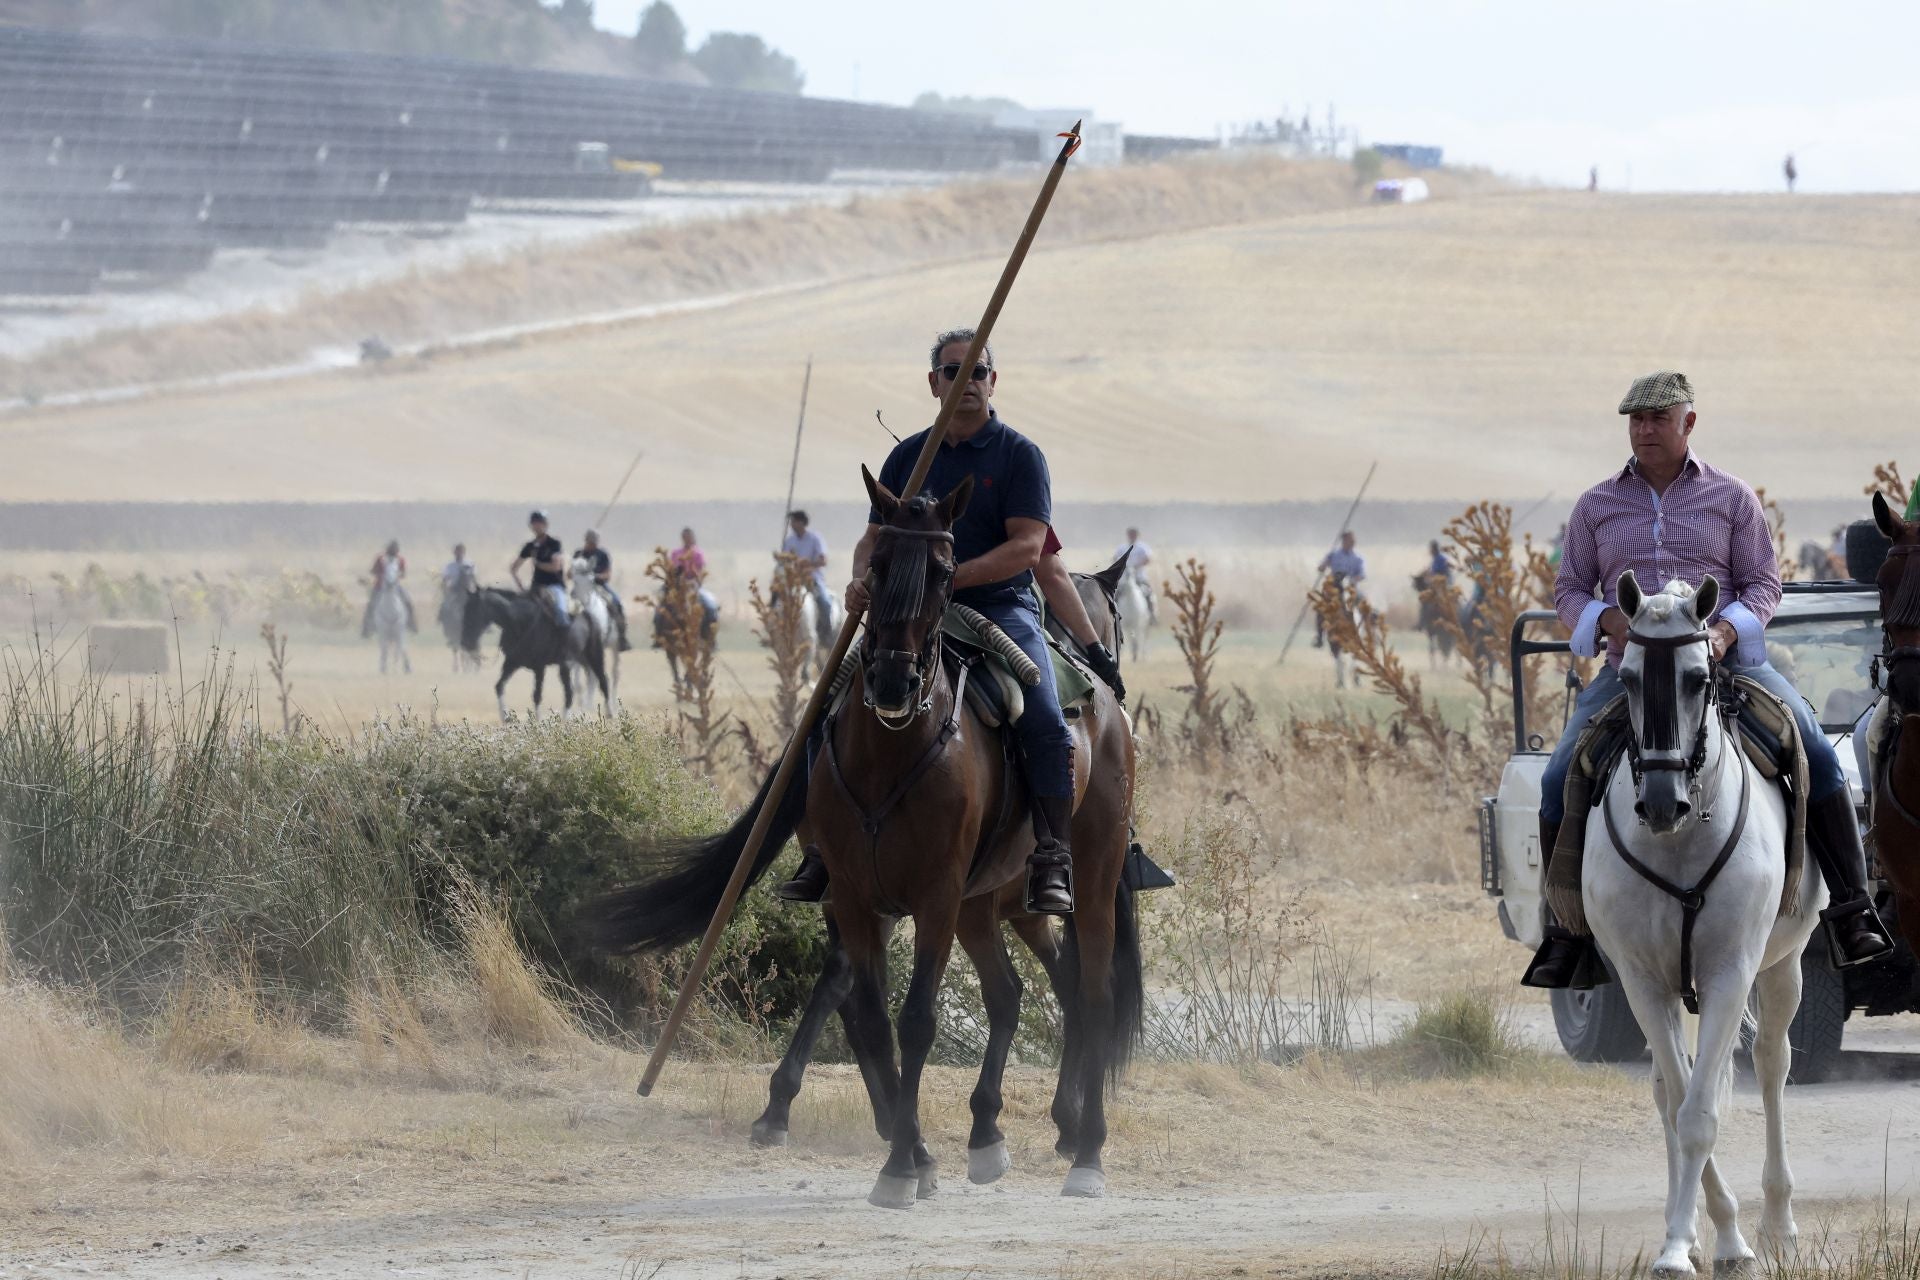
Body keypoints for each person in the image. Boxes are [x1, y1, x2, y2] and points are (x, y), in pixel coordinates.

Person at [1522, 371, 1892, 989]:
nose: (1645, 430)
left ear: (1688, 423)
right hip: (1632, 669)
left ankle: (1852, 911)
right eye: (1636, 420)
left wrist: (1723, 633)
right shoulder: (1595, 505)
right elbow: (1569, 590)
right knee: (1559, 775)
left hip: (1730, 665)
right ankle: (1566, 933)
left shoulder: (1731, 497)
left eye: (1658, 419)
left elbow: (1764, 584)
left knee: (1819, 756)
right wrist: (1612, 622)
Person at [777, 327, 1079, 915]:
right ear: (934, 383)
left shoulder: (1020, 455)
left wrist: (951, 578)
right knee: (824, 709)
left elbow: (1027, 547)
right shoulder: (907, 457)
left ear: (993, 381)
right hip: (910, 612)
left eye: (976, 371)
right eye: (952, 371)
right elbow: (872, 540)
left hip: (999, 607)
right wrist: (861, 579)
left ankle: (1052, 855)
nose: (965, 382)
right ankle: (822, 851)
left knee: (1043, 717)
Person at [1034, 525, 1126, 701]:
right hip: (1003, 607)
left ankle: (1152, 613)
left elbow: (1051, 571)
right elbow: (1051, 573)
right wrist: (1095, 648)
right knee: (1047, 707)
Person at [510, 511, 569, 629]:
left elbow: (555, 567)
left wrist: (538, 564)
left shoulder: (554, 543)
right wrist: (520, 586)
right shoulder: (530, 546)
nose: (537, 526)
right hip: (536, 586)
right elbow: (514, 568)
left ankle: (564, 635)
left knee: (561, 612)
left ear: (545, 524)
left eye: (539, 523)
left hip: (554, 586)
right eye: (534, 523)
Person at [574, 528, 630, 652]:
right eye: (590, 541)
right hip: (581, 587)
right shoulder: (578, 554)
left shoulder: (603, 554)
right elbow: (570, 573)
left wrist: (595, 576)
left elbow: (607, 575)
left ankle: (622, 637)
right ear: (586, 541)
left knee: (616, 602)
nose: (592, 544)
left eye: (594, 542)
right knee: (569, 605)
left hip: (599, 586)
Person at [779, 510, 834, 623]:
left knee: (825, 603)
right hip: (793, 579)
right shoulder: (789, 541)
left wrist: (806, 565)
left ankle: (826, 630)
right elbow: (784, 561)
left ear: (801, 522)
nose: (791, 524)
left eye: (794, 521)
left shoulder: (815, 538)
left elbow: (823, 560)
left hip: (812, 579)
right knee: (777, 599)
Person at [361, 539, 416, 637]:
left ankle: (411, 624)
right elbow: (373, 571)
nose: (393, 552)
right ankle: (367, 628)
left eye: (395, 550)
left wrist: (398, 575)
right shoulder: (380, 559)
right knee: (371, 604)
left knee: (408, 601)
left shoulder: (400, 560)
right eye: (392, 550)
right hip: (379, 586)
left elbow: (403, 573)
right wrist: (380, 574)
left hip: (395, 586)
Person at [1112, 526, 1155, 623]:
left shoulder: (1143, 547)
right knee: (1116, 595)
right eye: (1130, 534)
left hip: (1139, 577)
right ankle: (1113, 615)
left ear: (1137, 535)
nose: (1132, 536)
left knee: (1148, 593)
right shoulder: (1121, 548)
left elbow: (1148, 559)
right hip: (1124, 578)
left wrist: (1136, 566)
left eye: (1134, 534)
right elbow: (1115, 558)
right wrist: (1121, 566)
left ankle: (1152, 615)